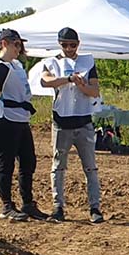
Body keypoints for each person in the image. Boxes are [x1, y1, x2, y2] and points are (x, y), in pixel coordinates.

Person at [0, 29, 49, 222]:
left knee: (28, 162)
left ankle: (28, 204)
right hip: (5, 120)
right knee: (6, 164)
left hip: (20, 119)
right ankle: (7, 206)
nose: (20, 48)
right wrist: (1, 97)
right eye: (16, 44)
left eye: (20, 45)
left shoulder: (15, 65)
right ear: (5, 43)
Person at [39, 27, 104, 223]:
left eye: (73, 45)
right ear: (59, 44)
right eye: (65, 45)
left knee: (90, 167)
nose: (69, 49)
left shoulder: (88, 61)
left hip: (84, 121)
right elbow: (46, 81)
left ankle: (95, 207)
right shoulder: (51, 62)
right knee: (58, 166)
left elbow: (95, 91)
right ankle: (58, 207)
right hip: (61, 122)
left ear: (78, 44)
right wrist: (68, 79)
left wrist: (82, 85)